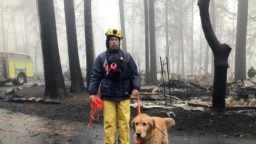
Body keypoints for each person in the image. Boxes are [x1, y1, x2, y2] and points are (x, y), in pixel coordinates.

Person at [87, 28, 140, 144]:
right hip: (108, 97)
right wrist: (92, 93)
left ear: (119, 42)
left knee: (124, 124)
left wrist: (135, 88)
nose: (114, 42)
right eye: (112, 40)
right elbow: (95, 76)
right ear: (108, 41)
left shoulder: (127, 57)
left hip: (124, 96)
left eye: (116, 40)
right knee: (109, 124)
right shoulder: (101, 58)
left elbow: (134, 74)